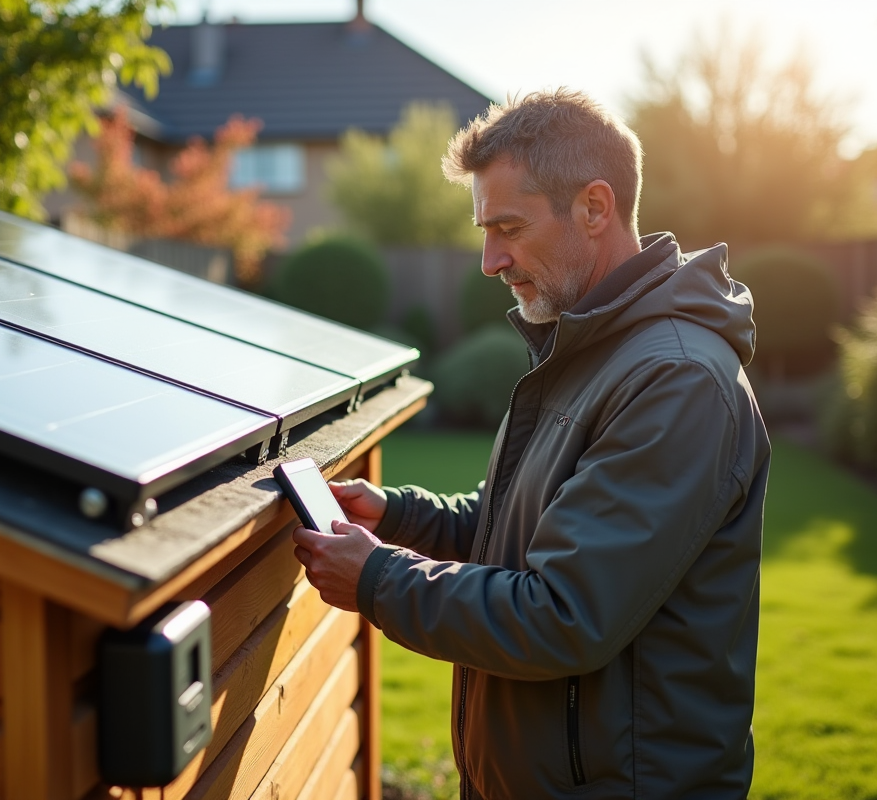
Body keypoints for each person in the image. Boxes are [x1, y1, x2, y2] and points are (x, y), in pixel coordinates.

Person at [292, 89, 770, 799]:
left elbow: (563, 613)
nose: (490, 260)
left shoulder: (675, 380)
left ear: (595, 208)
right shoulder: (597, 348)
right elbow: (518, 523)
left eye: (508, 227)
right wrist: (393, 516)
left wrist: (378, 579)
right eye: (486, 230)